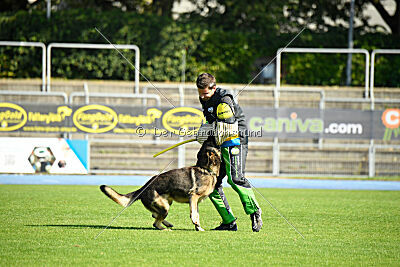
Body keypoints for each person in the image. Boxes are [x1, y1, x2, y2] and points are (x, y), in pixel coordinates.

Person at [195, 73, 263, 232]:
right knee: (209, 183)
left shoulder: (225, 99)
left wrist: (210, 130)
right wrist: (203, 131)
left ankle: (255, 211)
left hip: (235, 139)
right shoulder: (204, 98)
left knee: (235, 178)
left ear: (214, 88)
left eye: (205, 93)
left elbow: (227, 125)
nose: (203, 97)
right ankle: (229, 222)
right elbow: (212, 122)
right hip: (219, 140)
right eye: (200, 93)